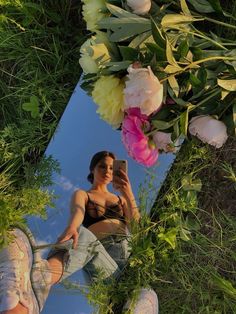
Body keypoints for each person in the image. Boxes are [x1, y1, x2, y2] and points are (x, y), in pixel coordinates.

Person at [0, 151, 158, 313]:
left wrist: (128, 192)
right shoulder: (83, 194)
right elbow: (78, 212)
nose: (107, 170)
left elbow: (139, 230)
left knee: (145, 294)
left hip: (126, 259)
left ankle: (128, 306)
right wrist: (72, 227)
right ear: (93, 169)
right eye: (102, 166)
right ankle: (41, 279)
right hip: (99, 260)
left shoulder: (121, 199)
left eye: (112, 168)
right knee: (83, 235)